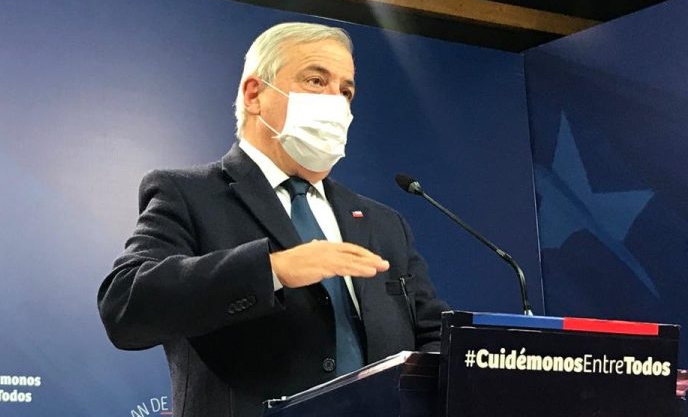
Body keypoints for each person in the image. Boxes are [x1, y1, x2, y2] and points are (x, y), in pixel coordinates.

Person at [98, 22, 450, 417]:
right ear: (254, 95)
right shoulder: (188, 194)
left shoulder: (383, 223)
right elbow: (125, 306)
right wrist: (272, 269)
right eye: (316, 81)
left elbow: (436, 338)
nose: (337, 103)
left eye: (346, 91)